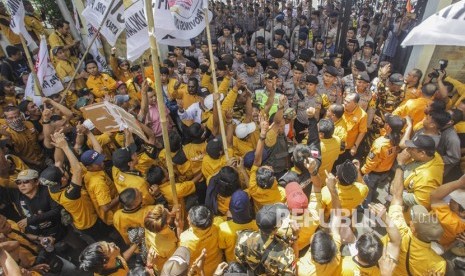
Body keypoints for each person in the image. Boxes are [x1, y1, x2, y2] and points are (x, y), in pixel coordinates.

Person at [388, 155, 447, 275]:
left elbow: (396, 198)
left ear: (413, 229)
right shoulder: (438, 265)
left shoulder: (399, 231)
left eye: (413, 221)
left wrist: (400, 165)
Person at [235, 203, 297, 275]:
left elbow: (240, 260)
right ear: (278, 226)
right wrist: (295, 237)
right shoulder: (286, 254)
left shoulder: (243, 236)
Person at [398, 135, 444, 209]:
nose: (407, 150)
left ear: (422, 153)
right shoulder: (433, 154)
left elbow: (420, 202)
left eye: (411, 148)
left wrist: (400, 163)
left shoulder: (426, 179)